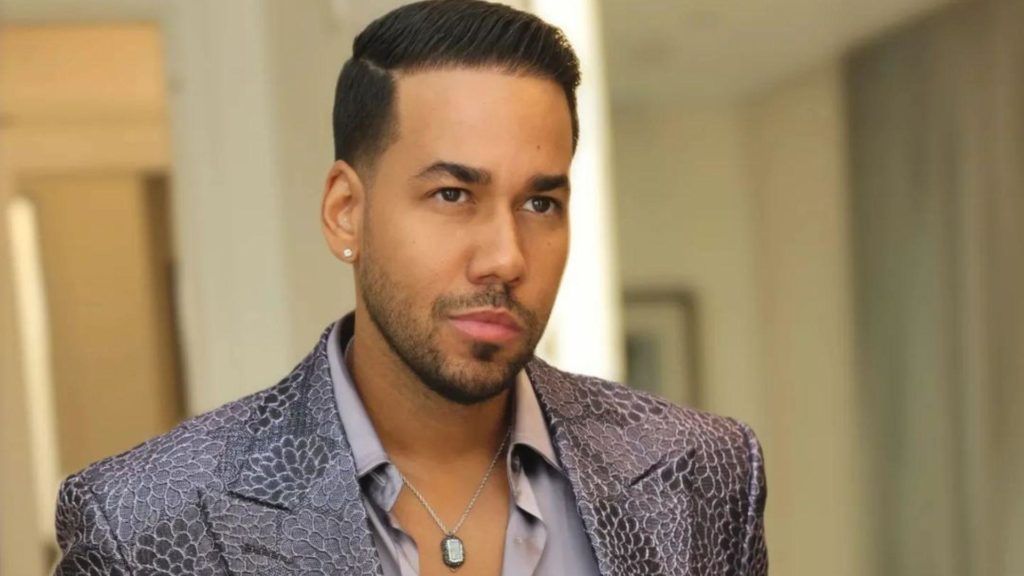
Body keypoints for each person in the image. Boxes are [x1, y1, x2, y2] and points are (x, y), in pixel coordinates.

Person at [53, 1, 767, 574]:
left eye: (540, 203)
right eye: (453, 194)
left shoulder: (698, 474)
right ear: (346, 211)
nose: (506, 257)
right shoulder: (145, 524)